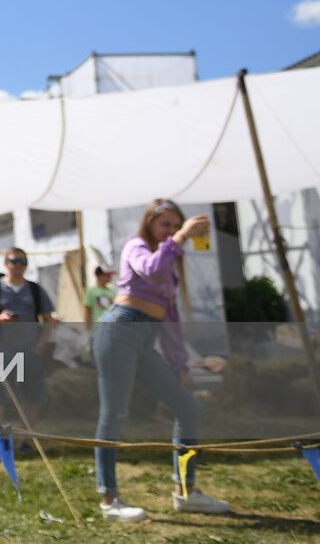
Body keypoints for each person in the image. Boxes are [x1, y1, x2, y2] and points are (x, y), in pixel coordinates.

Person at [93, 199, 230, 521]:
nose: (169, 231)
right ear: (150, 224)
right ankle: (109, 499)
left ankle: (186, 491)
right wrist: (181, 237)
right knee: (114, 413)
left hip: (143, 340)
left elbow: (171, 322)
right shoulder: (136, 246)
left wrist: (180, 364)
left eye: (174, 225)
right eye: (164, 224)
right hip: (118, 332)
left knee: (188, 408)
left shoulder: (169, 265)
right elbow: (150, 271)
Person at [0, 247, 56, 456]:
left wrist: (41, 344)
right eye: (14, 261)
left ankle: (26, 440)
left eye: (22, 261)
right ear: (5, 263)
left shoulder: (36, 290)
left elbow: (48, 320)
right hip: (3, 351)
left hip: (31, 352)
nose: (19, 265)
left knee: (32, 398)